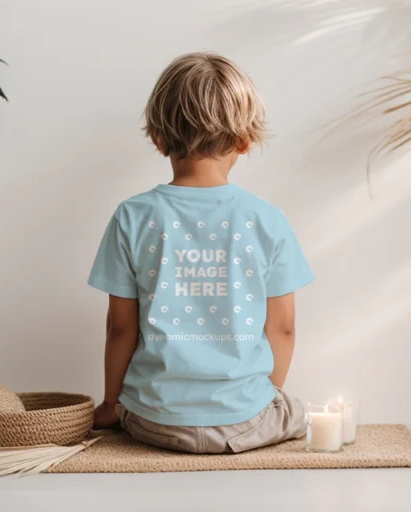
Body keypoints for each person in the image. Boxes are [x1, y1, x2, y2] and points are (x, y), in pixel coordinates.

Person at [87, 52, 315, 453]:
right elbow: (283, 328)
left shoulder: (132, 216)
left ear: (158, 139)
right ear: (245, 141)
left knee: (129, 410)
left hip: (154, 421)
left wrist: (110, 406)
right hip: (247, 421)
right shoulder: (268, 220)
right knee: (306, 414)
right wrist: (267, 397)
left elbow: (120, 328)